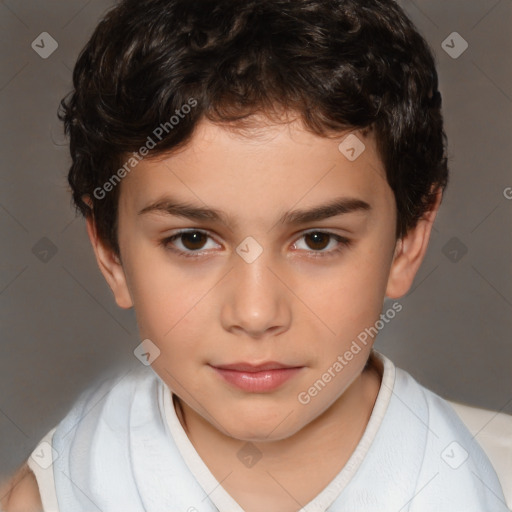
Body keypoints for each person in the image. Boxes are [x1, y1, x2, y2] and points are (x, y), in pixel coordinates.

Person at [1, 0, 509, 510]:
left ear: (407, 241)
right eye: (192, 240)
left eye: (318, 240)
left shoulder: (484, 481)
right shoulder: (58, 490)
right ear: (111, 254)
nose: (256, 313)